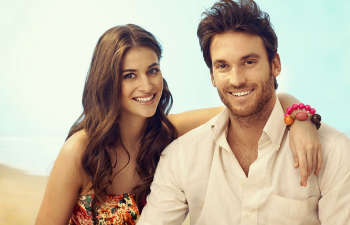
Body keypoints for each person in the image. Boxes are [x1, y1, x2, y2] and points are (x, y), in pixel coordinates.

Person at [35, 24, 321, 225]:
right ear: (108, 81)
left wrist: (299, 118)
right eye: (129, 75)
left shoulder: (167, 133)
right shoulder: (81, 151)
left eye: (153, 70)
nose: (147, 85)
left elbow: (252, 105)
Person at [137, 1, 350, 225]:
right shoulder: (181, 157)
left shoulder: (333, 151)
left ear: (275, 64)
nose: (237, 79)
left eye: (249, 62)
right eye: (223, 66)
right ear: (212, 75)